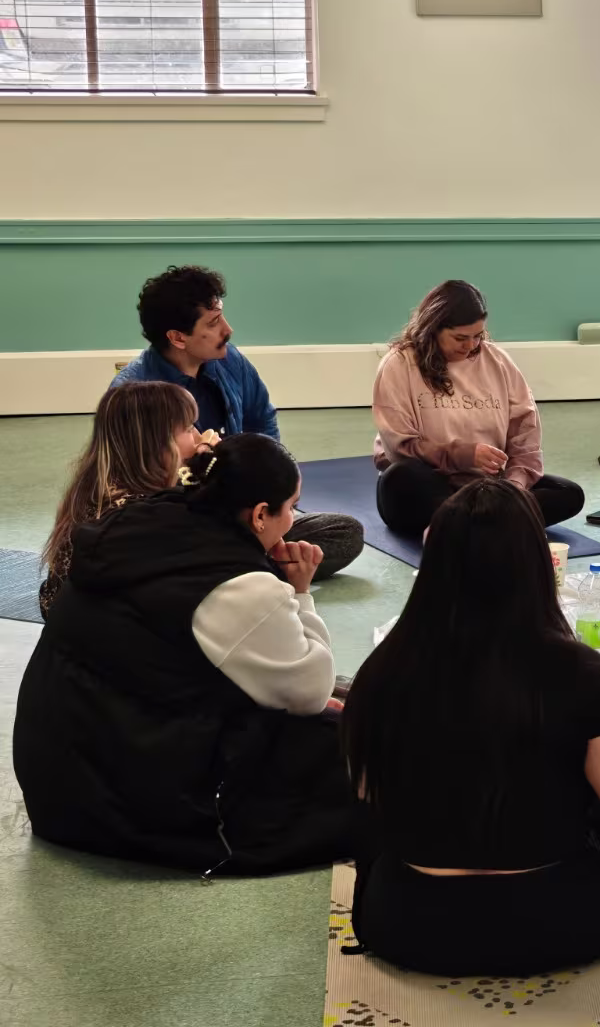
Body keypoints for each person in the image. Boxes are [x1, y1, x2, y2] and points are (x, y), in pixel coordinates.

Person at [341, 479, 600, 975]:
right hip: (557, 928)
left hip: (406, 925)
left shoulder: (383, 668)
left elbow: (368, 797)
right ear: (536, 565)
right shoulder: (581, 673)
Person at [13, 433, 357, 875]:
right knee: (346, 743)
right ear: (258, 515)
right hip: (125, 794)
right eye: (291, 507)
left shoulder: (142, 518)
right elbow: (309, 694)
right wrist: (300, 593)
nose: (294, 519)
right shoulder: (240, 586)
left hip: (58, 772)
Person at [112, 265, 363, 578]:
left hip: (246, 516)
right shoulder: (136, 392)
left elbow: (263, 423)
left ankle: (233, 569)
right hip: (180, 521)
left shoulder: (230, 360)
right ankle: (244, 568)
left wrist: (276, 491)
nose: (228, 330)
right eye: (214, 323)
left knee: (344, 532)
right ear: (178, 337)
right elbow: (140, 490)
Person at [372, 280, 585, 536]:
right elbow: (400, 448)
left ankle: (458, 526)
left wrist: (513, 487)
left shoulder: (498, 361)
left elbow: (525, 437)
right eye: (460, 338)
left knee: (568, 494)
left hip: (486, 489)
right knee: (401, 476)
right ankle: (490, 523)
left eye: (478, 336)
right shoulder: (398, 365)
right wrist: (466, 455)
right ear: (433, 329)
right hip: (429, 487)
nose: (471, 345)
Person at [38, 381, 204, 616]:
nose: (197, 438)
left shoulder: (95, 485)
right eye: (188, 429)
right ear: (156, 443)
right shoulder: (137, 513)